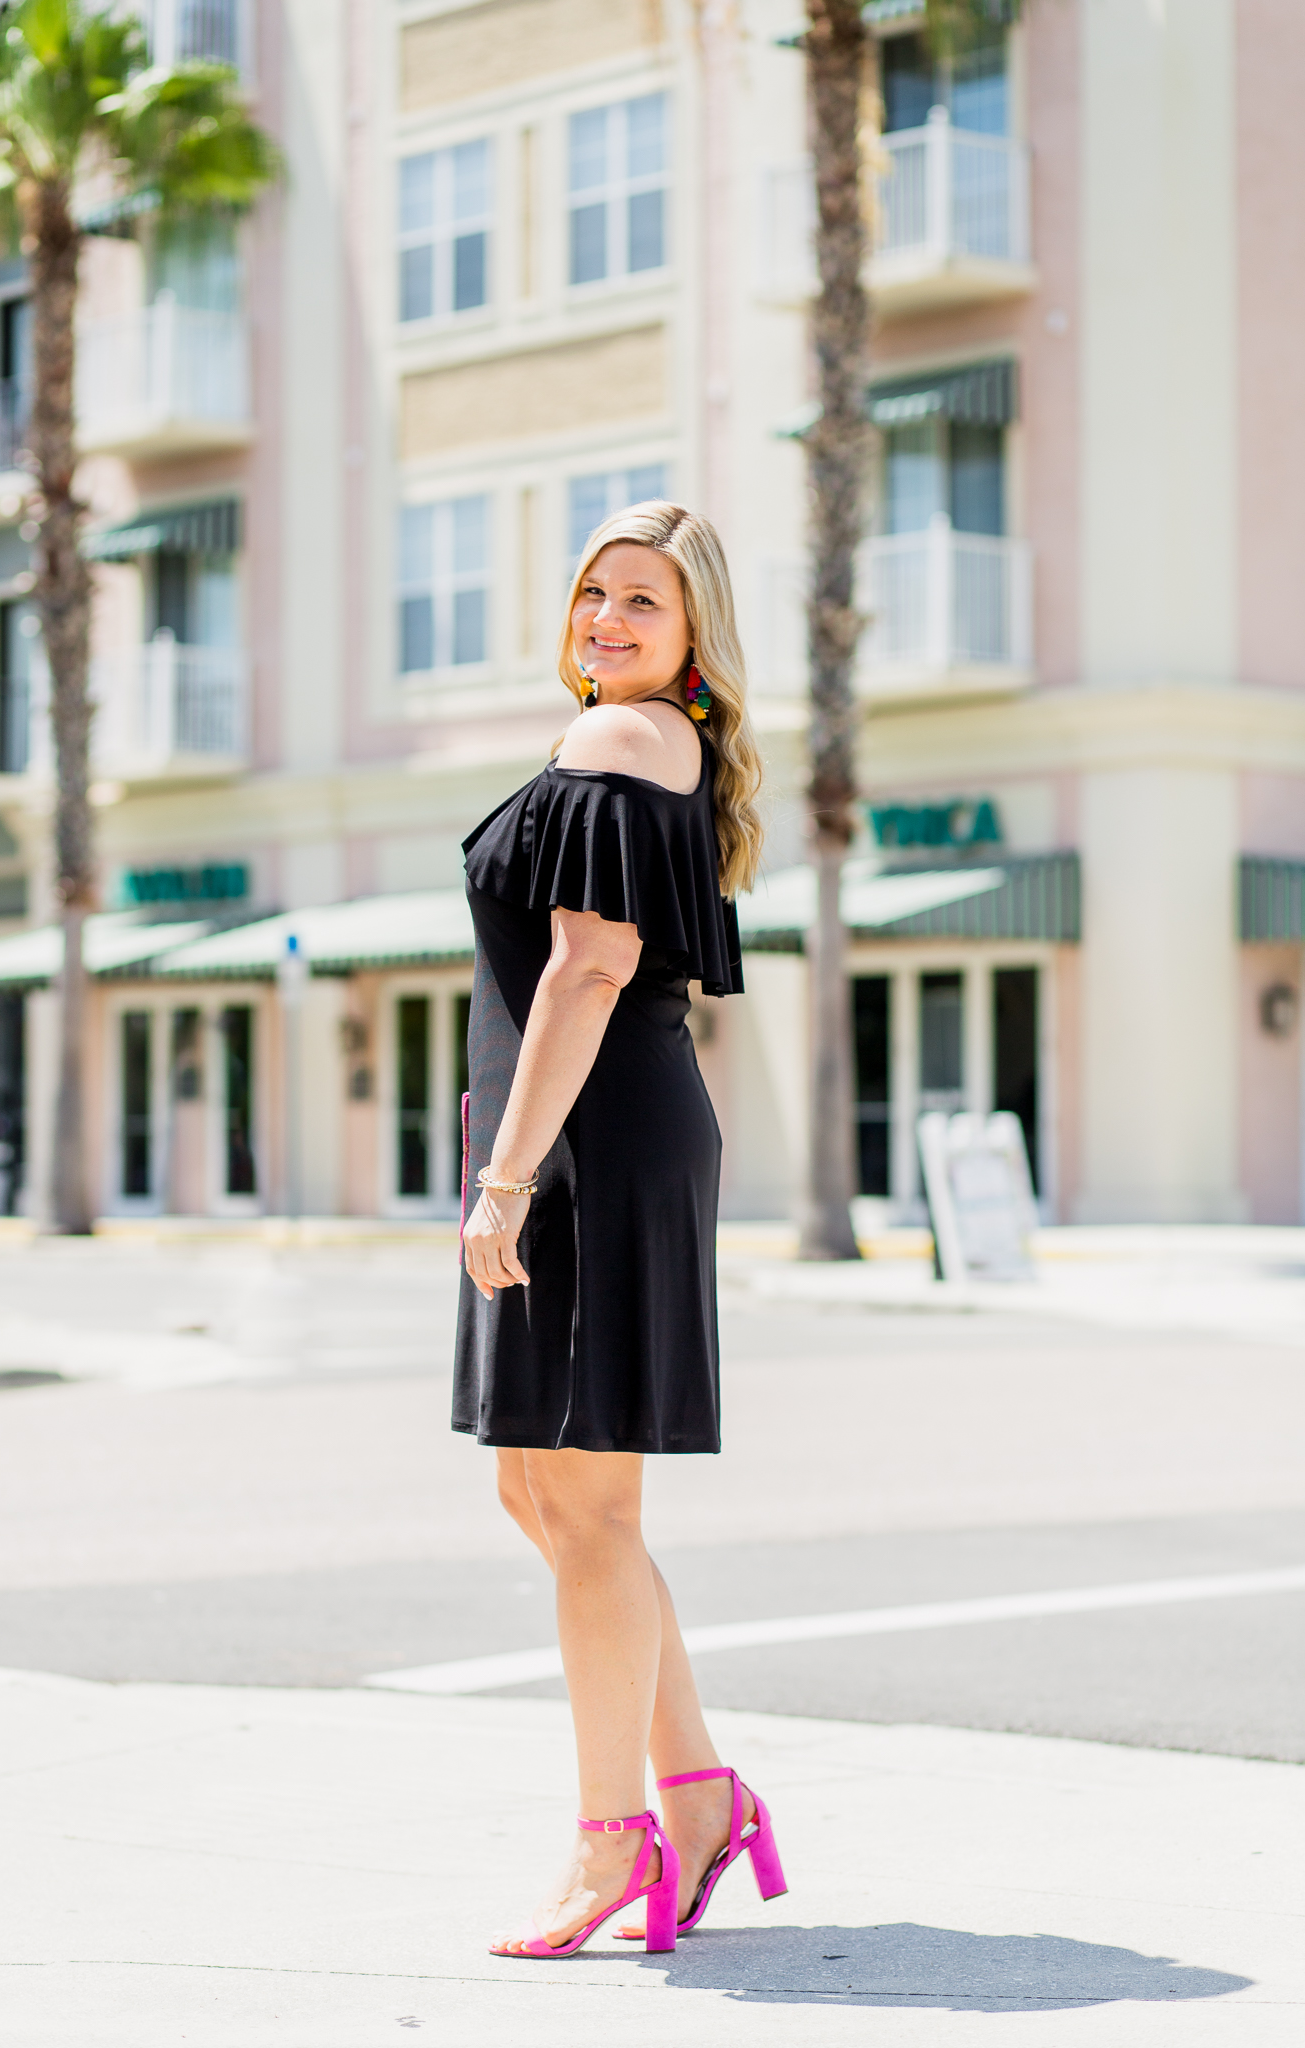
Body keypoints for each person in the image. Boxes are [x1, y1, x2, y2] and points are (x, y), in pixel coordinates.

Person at [454, 501, 787, 1958]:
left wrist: (507, 1175)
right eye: (593, 593)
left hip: (589, 1142)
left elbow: (586, 972)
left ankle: (616, 1847)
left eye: (641, 601)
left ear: (694, 631)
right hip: (586, 1133)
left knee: (584, 1511)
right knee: (545, 1501)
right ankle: (702, 1797)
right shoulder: (647, 744)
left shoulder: (619, 742)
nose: (605, 620)